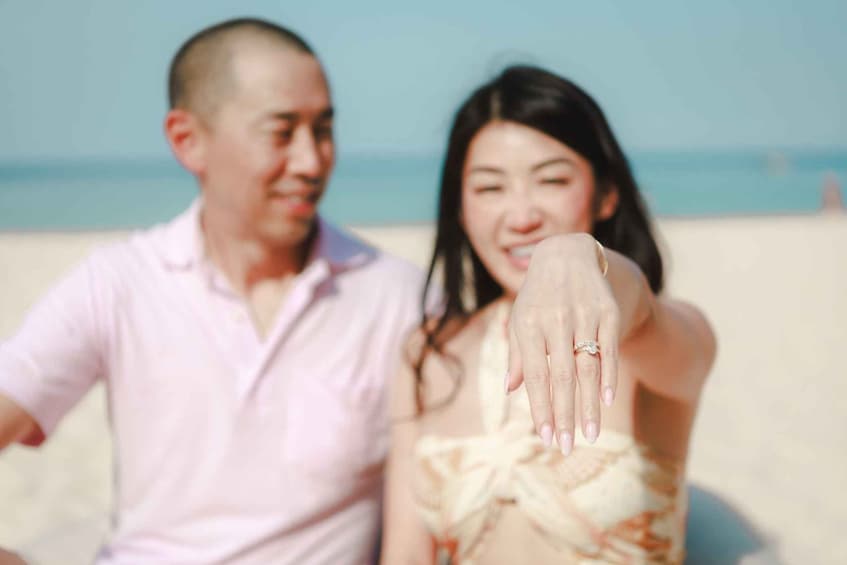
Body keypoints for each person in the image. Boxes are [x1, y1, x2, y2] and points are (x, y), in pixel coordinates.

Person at [0, 18, 425, 564]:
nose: (312, 161)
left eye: (323, 129)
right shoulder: (119, 283)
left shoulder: (397, 297)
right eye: (281, 131)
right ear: (188, 140)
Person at [381, 65, 717, 564]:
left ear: (606, 193)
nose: (521, 216)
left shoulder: (664, 334)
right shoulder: (427, 353)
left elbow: (639, 308)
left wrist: (578, 255)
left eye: (552, 180)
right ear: (459, 207)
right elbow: (406, 555)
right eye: (490, 188)